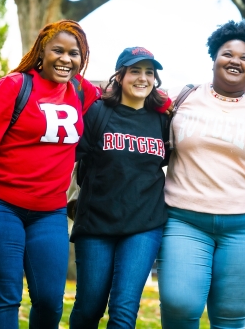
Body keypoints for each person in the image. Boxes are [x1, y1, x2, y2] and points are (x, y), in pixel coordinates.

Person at [0, 19, 101, 329]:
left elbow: (117, 96)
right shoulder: (14, 86)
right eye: (58, 50)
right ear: (41, 52)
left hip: (49, 212)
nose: (66, 59)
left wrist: (159, 103)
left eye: (75, 54)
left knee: (49, 299)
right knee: (6, 295)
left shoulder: (82, 91)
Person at [157, 20, 245, 328]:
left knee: (230, 318)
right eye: (227, 53)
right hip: (185, 219)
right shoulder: (182, 99)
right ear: (214, 58)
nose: (235, 60)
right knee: (178, 305)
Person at [69, 47, 170, 328]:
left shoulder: (163, 120)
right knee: (89, 307)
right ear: (121, 75)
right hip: (96, 223)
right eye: (135, 71)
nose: (143, 78)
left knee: (124, 311)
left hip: (144, 224)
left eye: (149, 72)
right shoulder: (98, 113)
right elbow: (73, 159)